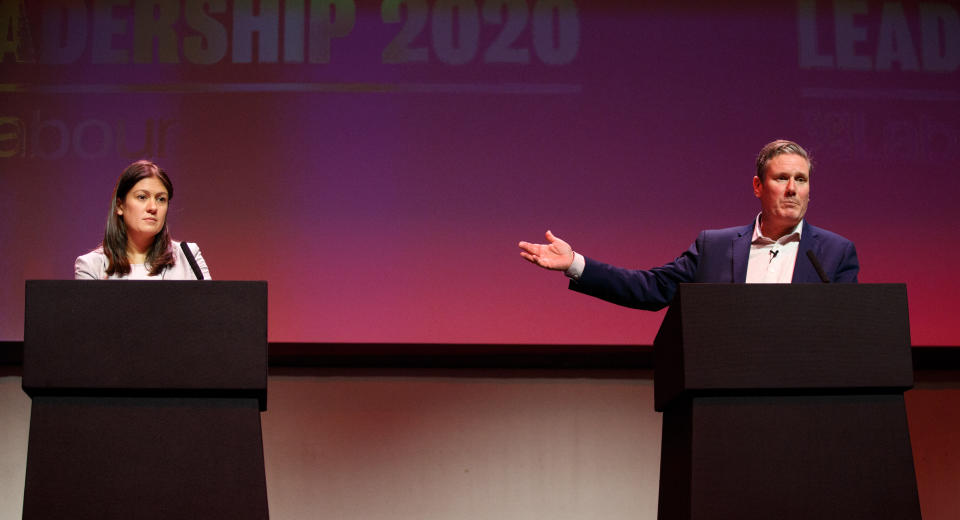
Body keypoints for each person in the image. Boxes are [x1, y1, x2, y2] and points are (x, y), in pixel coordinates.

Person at [518, 140, 858, 311]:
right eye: (781, 178)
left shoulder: (834, 254)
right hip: (726, 400)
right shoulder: (716, 247)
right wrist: (576, 263)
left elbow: (850, 333)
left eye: (801, 179)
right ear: (757, 186)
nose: (792, 189)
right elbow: (650, 288)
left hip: (809, 407)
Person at [75, 160, 211, 280]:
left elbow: (209, 306)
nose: (153, 207)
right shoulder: (92, 266)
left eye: (161, 199)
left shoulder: (187, 256)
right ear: (119, 206)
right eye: (142, 197)